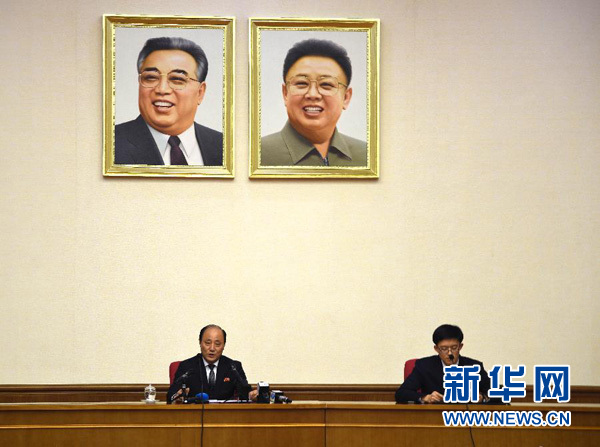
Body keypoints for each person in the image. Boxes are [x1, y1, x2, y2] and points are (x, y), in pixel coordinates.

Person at [115, 37, 223, 166]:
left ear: (200, 92)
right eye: (151, 78)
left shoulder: (223, 146)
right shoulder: (111, 143)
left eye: (177, 79)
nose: (162, 89)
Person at [261, 39, 367, 167]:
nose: (312, 94)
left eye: (326, 84)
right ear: (285, 93)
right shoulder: (258, 154)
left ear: (346, 97)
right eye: (301, 83)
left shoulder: (367, 156)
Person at [395, 324, 491, 404]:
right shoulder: (424, 366)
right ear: (436, 349)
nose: (449, 353)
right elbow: (401, 393)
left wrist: (482, 397)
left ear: (460, 346)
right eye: (444, 349)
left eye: (454, 348)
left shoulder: (474, 367)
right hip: (433, 416)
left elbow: (495, 393)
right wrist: (426, 397)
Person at [167, 324, 257, 403]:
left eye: (217, 344)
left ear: (224, 345)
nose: (212, 348)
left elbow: (246, 394)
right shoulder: (187, 366)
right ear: (200, 342)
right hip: (194, 415)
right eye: (207, 343)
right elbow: (171, 395)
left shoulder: (233, 367)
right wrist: (177, 396)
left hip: (225, 415)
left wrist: (251, 395)